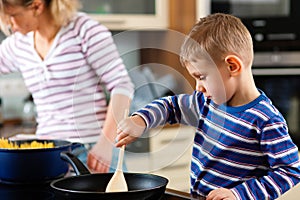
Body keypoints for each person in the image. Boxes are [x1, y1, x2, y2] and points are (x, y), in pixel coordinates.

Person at [115, 13, 300, 199]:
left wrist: (238, 195)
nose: (198, 88)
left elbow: (289, 170)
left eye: (201, 77)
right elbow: (171, 107)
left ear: (232, 66)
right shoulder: (205, 103)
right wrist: (141, 120)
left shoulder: (265, 120)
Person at [0, 0, 134, 173]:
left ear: (36, 6)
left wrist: (106, 143)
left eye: (12, 16)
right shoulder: (18, 44)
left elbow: (123, 87)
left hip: (94, 151)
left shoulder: (84, 30)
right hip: (50, 154)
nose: (8, 25)